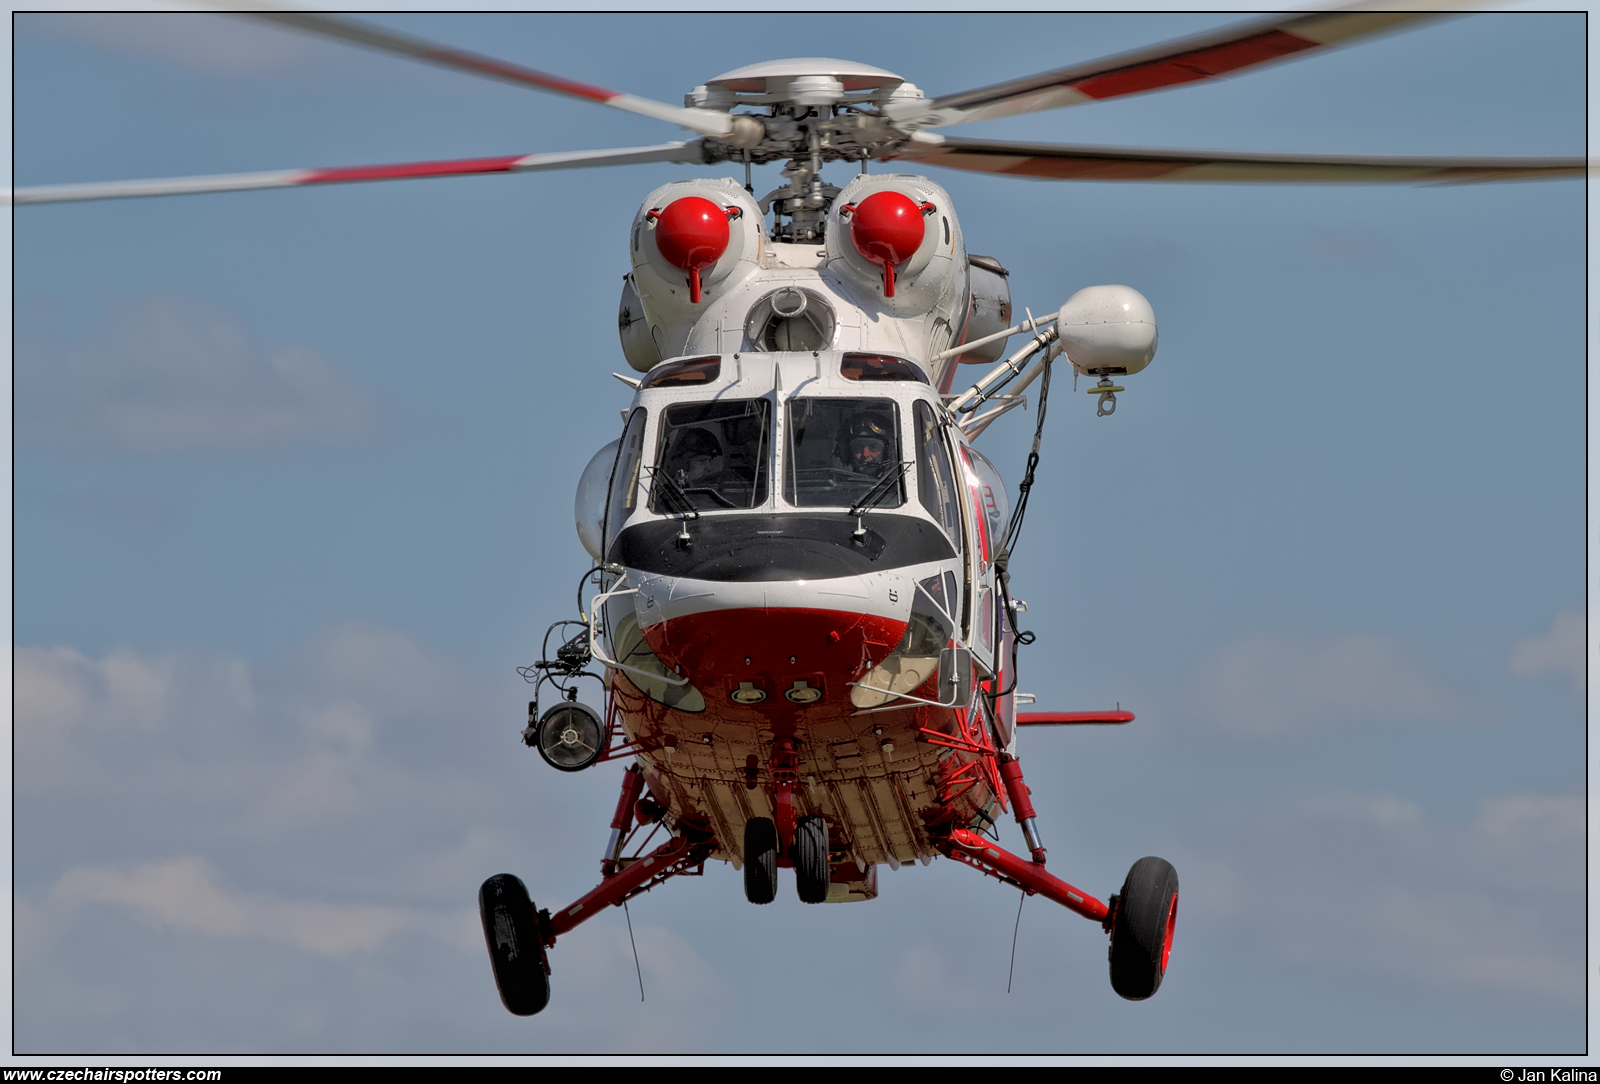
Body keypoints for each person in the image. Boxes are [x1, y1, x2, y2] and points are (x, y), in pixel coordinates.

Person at [838, 412, 894, 478]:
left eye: (873, 447)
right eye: (858, 447)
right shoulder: (834, 483)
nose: (865, 454)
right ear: (848, 453)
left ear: (886, 453)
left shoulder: (899, 482)